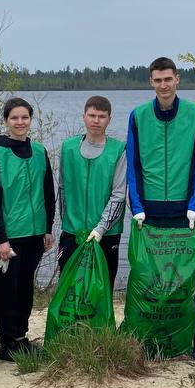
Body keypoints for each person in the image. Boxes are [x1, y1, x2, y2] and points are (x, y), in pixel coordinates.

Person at [125, 56, 195, 361]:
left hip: (184, 211)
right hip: (149, 212)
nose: (163, 85)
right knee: (149, 277)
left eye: (168, 79)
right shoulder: (138, 116)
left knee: (186, 279)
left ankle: (192, 342)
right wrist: (137, 206)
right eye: (158, 80)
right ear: (151, 82)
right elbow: (133, 164)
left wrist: (194, 206)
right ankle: (146, 340)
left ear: (177, 79)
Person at [0, 97, 55, 359]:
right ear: (6, 121)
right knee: (6, 291)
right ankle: (7, 342)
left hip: (34, 234)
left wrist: (48, 227)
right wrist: (0, 238)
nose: (20, 122)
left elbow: (48, 193)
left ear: (31, 120)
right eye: (14, 118)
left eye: (25, 117)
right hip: (8, 237)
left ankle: (21, 337)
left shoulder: (39, 152)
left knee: (25, 288)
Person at [57, 95, 127, 287]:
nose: (96, 121)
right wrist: (67, 222)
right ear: (84, 117)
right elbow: (62, 189)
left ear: (109, 119)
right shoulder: (68, 148)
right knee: (69, 287)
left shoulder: (119, 150)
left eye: (102, 116)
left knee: (102, 288)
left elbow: (119, 195)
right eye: (92, 115)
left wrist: (100, 229)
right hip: (73, 232)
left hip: (106, 234)